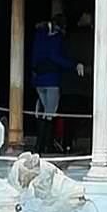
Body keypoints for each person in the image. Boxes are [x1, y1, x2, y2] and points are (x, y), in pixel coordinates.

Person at [31, 15, 83, 155]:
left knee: (43, 113)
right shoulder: (57, 37)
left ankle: (40, 145)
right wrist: (73, 65)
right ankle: (46, 145)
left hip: (39, 79)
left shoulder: (39, 35)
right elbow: (55, 56)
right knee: (50, 113)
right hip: (52, 79)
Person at [60, 12, 94, 153]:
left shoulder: (69, 36)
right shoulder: (94, 36)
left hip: (70, 84)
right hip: (89, 83)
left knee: (70, 118)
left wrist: (74, 65)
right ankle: (93, 146)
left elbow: (64, 55)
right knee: (92, 117)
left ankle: (67, 144)